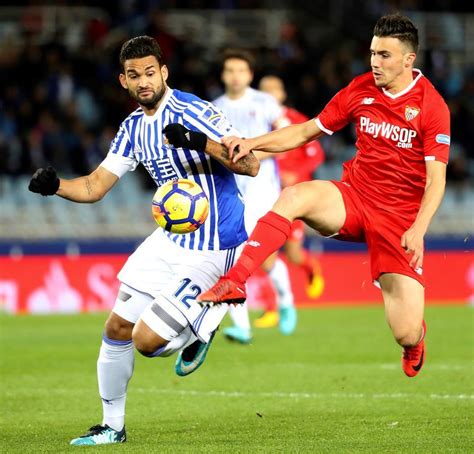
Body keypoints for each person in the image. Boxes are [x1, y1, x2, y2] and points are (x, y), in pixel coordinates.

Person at [28, 36, 259, 446]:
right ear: (123, 80)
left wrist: (199, 142)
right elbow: (96, 186)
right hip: (170, 237)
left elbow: (252, 165)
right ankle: (111, 427)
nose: (144, 81)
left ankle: (206, 321)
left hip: (215, 242)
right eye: (134, 75)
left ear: (164, 73)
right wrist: (56, 186)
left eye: (151, 72)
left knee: (148, 343)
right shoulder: (133, 128)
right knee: (117, 327)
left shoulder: (196, 111)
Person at [198, 14, 451, 378]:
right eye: (372, 53)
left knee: (404, 331)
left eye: (384, 56)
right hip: (355, 197)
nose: (374, 63)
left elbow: (436, 181)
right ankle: (235, 280)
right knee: (294, 196)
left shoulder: (432, 107)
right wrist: (251, 142)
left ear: (409, 60)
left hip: (400, 221)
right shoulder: (361, 88)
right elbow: (305, 132)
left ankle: (415, 342)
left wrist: (419, 228)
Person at [212, 49, 297, 341]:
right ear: (223, 75)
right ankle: (242, 326)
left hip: (263, 190)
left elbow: (286, 136)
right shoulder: (214, 107)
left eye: (241, 70)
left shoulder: (265, 103)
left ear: (249, 75)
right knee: (231, 255)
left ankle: (286, 302)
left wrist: (252, 152)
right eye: (230, 70)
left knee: (267, 256)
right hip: (230, 192)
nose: (235, 75)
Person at [255, 75, 326, 329]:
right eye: (264, 90)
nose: (270, 94)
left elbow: (316, 154)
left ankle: (310, 267)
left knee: (293, 252)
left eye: (274, 89)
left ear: (283, 94)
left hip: (294, 197)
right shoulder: (258, 122)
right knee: (265, 251)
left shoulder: (296, 120)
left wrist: (296, 174)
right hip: (266, 195)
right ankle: (272, 308)